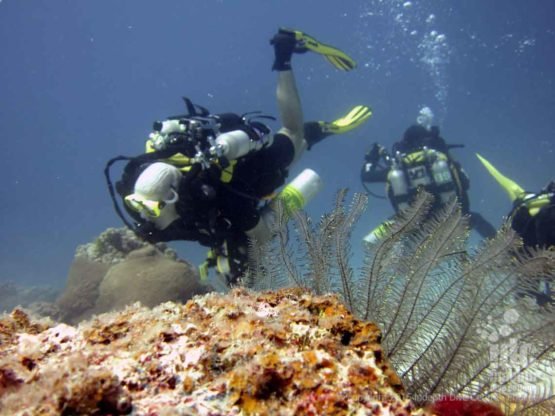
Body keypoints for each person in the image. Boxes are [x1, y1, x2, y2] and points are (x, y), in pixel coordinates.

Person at [105, 28, 372, 285]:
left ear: (174, 196)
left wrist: (236, 237)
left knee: (293, 133)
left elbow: (261, 233)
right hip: (222, 195)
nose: (143, 215)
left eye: (149, 209)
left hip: (255, 168)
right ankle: (315, 133)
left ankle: (284, 55)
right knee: (235, 253)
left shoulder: (230, 202)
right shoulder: (144, 193)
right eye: (136, 205)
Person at [360, 107, 496, 242]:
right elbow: (465, 183)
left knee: (387, 233)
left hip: (413, 227)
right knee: (477, 219)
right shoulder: (440, 159)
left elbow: (367, 176)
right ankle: (509, 255)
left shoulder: (399, 167)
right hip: (449, 221)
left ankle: (370, 246)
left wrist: (372, 158)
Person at [476, 154, 554, 305]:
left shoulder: (527, 200)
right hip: (535, 257)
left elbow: (505, 181)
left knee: (526, 294)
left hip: (527, 256)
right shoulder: (531, 202)